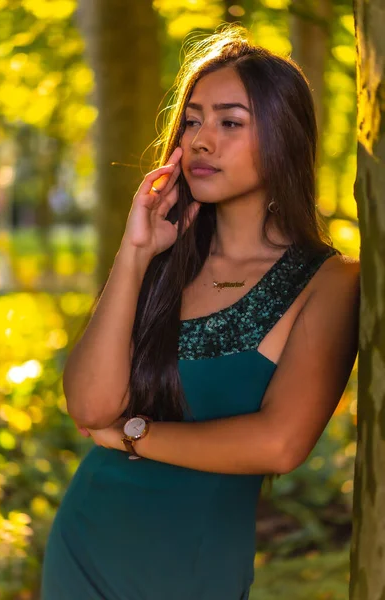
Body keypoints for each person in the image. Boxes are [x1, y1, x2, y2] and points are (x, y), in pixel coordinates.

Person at [41, 24, 360, 600]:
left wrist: (132, 437)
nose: (200, 142)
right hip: (85, 550)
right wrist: (134, 253)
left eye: (230, 122)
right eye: (192, 121)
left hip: (192, 571)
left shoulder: (330, 282)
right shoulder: (163, 262)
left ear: (284, 137)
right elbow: (89, 405)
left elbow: (280, 444)